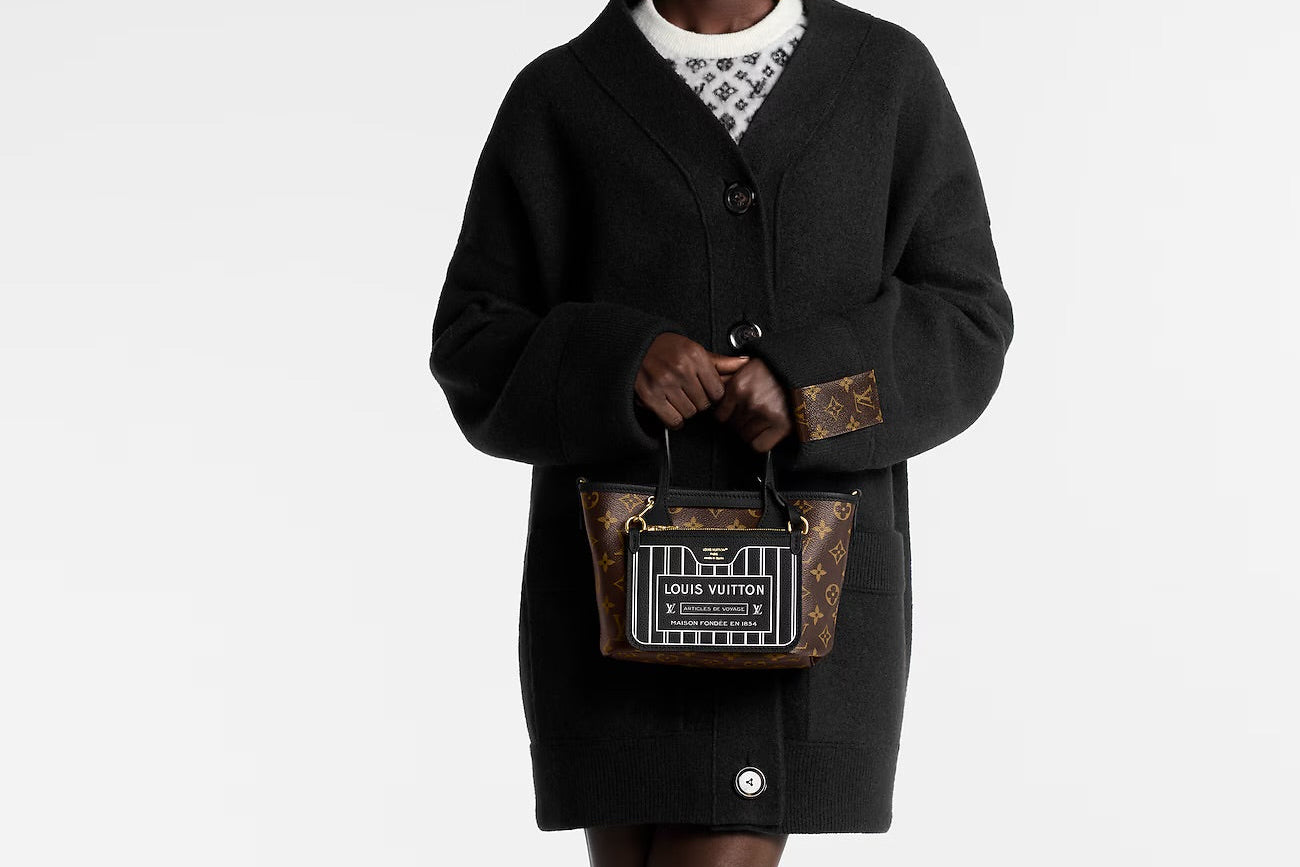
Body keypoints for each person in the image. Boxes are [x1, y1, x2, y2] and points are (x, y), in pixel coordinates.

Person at [428, 0, 1013, 864]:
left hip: (803, 595)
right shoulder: (560, 95)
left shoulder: (887, 79)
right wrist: (617, 365)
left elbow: (966, 323)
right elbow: (473, 342)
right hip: (613, 603)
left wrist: (815, 391)